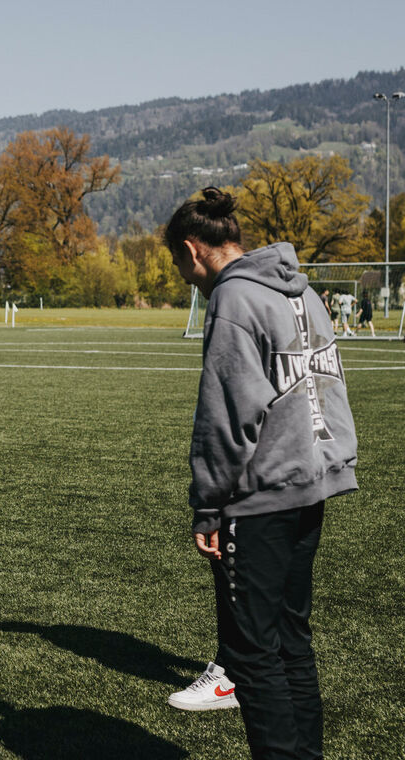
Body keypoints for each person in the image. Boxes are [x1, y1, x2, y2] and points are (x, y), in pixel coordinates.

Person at [165, 188, 357, 760]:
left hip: (261, 495)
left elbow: (228, 413)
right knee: (292, 641)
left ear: (192, 250)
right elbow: (329, 386)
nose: (183, 277)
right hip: (312, 482)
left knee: (251, 653)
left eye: (178, 264)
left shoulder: (233, 296)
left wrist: (208, 504)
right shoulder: (304, 292)